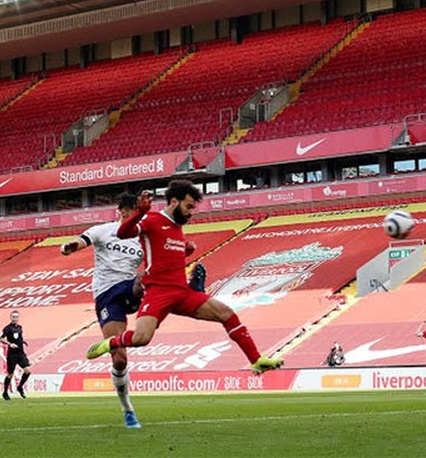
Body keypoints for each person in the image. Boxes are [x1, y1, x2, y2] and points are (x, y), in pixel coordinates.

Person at [85, 180, 283, 375]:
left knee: (226, 313)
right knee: (141, 338)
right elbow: (122, 233)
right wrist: (140, 212)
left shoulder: (177, 228)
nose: (190, 212)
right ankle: (109, 343)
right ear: (173, 202)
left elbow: (166, 259)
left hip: (181, 292)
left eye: (192, 208)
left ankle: (256, 360)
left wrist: (185, 252)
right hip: (158, 292)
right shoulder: (152, 220)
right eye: (188, 206)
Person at [61, 193, 145, 429]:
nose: (131, 215)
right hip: (107, 295)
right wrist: (70, 247)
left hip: (131, 287)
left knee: (145, 279)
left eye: (136, 212)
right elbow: (82, 240)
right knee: (119, 358)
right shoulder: (103, 230)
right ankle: (128, 409)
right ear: (121, 211)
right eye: (128, 211)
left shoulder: (141, 237)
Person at [0, 310, 32, 401]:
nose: (15, 318)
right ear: (11, 318)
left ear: (18, 318)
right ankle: (5, 392)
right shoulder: (7, 328)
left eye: (16, 317)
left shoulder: (20, 328)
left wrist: (23, 341)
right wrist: (9, 344)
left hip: (21, 354)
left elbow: (19, 337)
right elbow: (1, 338)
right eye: (13, 317)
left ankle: (20, 387)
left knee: (28, 371)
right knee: (10, 374)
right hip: (12, 355)